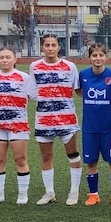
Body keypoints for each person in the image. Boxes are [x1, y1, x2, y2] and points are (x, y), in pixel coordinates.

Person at [29, 34, 83, 206]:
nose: (50, 48)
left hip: (67, 119)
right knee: (46, 157)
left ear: (59, 47)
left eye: (53, 45)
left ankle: (74, 192)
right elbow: (32, 91)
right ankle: (49, 192)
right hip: (44, 119)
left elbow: (78, 89)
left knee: (73, 155)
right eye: (47, 45)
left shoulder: (70, 66)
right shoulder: (35, 67)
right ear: (42, 47)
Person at [0, 46, 38, 205]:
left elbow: (35, 95)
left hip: (18, 126)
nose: (5, 60)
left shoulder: (24, 77)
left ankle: (22, 194)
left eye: (8, 57)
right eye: (2, 57)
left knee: (20, 159)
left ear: (15, 59)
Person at [77, 43, 111, 206]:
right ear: (89, 58)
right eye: (94, 55)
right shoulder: (83, 74)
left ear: (106, 57)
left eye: (100, 55)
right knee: (91, 162)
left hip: (108, 127)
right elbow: (78, 90)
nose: (97, 58)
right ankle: (93, 195)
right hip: (89, 128)